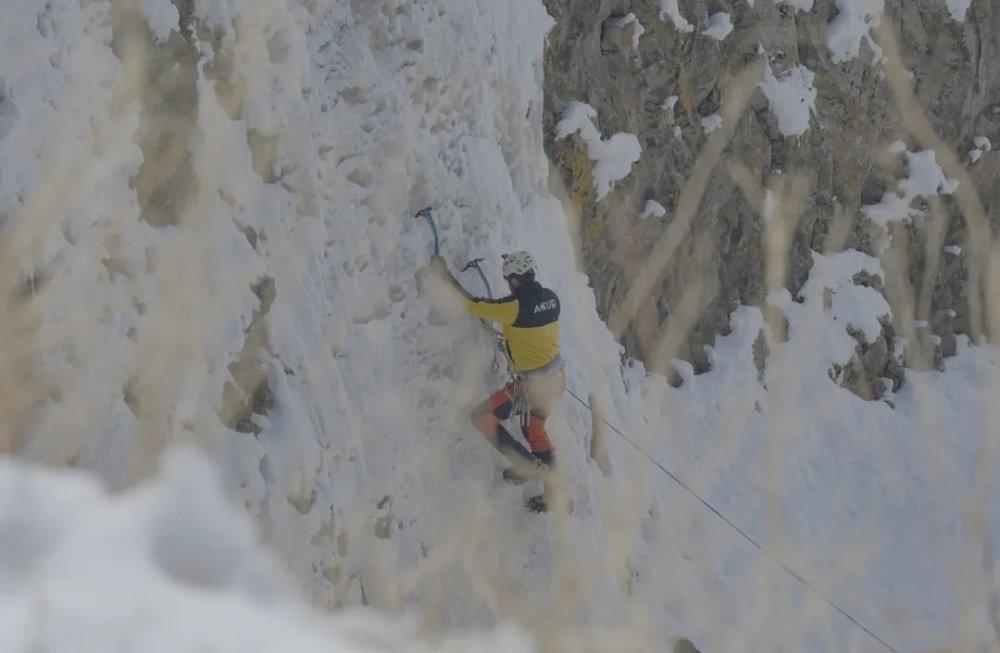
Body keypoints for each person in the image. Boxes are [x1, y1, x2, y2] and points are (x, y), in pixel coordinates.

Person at [428, 251, 566, 511]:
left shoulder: (513, 308)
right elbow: (532, 331)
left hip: (532, 387)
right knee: (535, 431)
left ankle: (526, 465)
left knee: (481, 417)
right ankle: (554, 495)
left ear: (514, 280)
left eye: (508, 281)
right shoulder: (552, 299)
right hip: (555, 379)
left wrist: (446, 276)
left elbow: (471, 304)